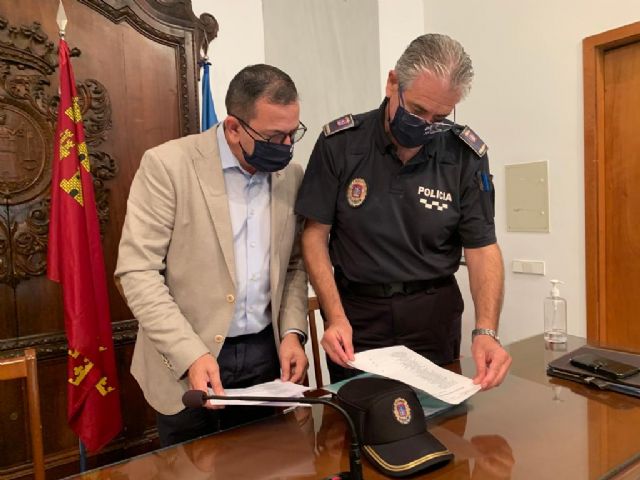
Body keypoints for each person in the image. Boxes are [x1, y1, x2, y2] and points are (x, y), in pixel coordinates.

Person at [295, 33, 511, 389]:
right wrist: (334, 317)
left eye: (440, 117)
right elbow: (314, 236)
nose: (426, 124)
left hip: (433, 315)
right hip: (359, 316)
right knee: (358, 415)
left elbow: (482, 246)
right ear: (393, 83)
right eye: (417, 111)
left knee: (439, 416)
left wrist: (486, 331)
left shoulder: (464, 154)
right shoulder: (341, 143)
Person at [115, 64, 310, 446]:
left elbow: (293, 265)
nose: (286, 146)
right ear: (234, 128)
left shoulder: (291, 176)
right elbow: (137, 272)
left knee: (262, 462)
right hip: (187, 356)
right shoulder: (168, 166)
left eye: (293, 134)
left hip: (264, 357)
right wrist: (190, 354)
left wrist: (291, 332)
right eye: (274, 137)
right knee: (191, 468)